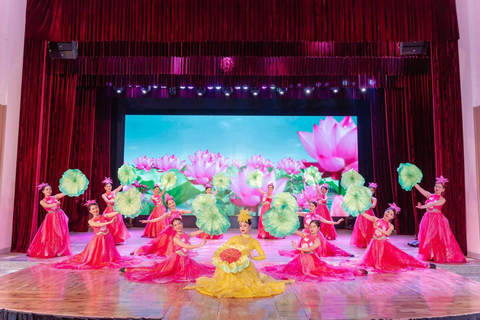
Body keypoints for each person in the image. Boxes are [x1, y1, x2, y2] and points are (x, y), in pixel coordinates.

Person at [184, 210, 293, 298]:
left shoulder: (253, 242)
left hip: (245, 268)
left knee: (247, 287)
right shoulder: (235, 238)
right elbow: (224, 248)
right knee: (225, 284)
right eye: (241, 226)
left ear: (249, 226)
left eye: (245, 226)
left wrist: (253, 257)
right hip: (231, 266)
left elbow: (263, 256)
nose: (242, 228)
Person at [262, 220, 367, 281]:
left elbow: (309, 249)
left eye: (314, 227)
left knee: (329, 271)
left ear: (318, 229)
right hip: (300, 259)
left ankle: (356, 271)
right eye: (310, 227)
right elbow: (293, 231)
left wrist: (298, 248)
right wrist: (285, 224)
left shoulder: (317, 241)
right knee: (282, 270)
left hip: (311, 261)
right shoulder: (305, 235)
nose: (311, 229)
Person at [122, 218, 215, 283]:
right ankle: (129, 269)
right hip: (176, 260)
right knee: (157, 271)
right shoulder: (176, 238)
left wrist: (209, 224)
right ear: (173, 228)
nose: (178, 226)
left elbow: (199, 231)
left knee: (204, 271)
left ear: (182, 224)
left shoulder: (186, 235)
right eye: (175, 225)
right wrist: (201, 244)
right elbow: (186, 246)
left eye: (179, 224)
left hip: (186, 260)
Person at [53, 201, 140, 269]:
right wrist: (109, 222)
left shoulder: (104, 216)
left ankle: (107, 259)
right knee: (98, 253)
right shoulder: (90, 221)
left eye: (96, 208)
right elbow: (98, 225)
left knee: (108, 252)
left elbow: (115, 213)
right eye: (93, 209)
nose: (95, 210)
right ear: (90, 211)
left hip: (107, 237)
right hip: (99, 239)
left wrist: (122, 210)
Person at [355, 203, 436, 272]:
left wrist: (377, 228)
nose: (388, 214)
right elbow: (363, 214)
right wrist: (359, 209)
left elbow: (387, 233)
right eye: (388, 211)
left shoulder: (390, 225)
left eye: (391, 214)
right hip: (374, 244)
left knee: (400, 258)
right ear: (385, 211)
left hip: (383, 245)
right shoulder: (376, 219)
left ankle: (423, 265)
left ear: (392, 217)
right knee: (370, 262)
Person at [414, 176, 467, 263]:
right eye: (436, 186)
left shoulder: (442, 199)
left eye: (439, 187)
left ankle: (438, 256)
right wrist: (412, 181)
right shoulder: (429, 195)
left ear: (443, 190)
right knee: (425, 236)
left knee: (437, 238)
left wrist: (422, 206)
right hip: (427, 218)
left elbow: (434, 203)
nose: (437, 188)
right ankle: (428, 255)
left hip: (437, 220)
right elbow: (419, 188)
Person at [281, 201, 352, 257]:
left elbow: (327, 221)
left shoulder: (317, 217)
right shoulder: (305, 214)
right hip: (305, 234)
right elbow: (295, 213)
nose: (311, 207)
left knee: (322, 248)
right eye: (310, 206)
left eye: (312, 206)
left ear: (315, 208)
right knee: (304, 248)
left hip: (315, 235)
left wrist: (336, 222)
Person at [27, 183, 72, 258]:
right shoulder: (42, 201)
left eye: (50, 189)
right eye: (47, 189)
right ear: (43, 192)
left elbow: (64, 193)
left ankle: (58, 250)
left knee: (61, 234)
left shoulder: (55, 197)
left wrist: (70, 188)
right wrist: (55, 203)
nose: (49, 191)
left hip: (60, 216)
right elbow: (47, 206)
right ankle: (50, 250)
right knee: (50, 235)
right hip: (51, 218)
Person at [101, 177, 130, 243]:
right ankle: (110, 239)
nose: (109, 187)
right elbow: (108, 201)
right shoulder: (103, 195)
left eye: (110, 186)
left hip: (116, 210)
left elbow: (121, 186)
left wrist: (124, 181)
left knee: (118, 224)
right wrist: (116, 200)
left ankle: (116, 239)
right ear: (105, 188)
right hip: (109, 210)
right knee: (110, 225)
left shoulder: (114, 192)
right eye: (107, 186)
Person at [350, 182, 377, 248]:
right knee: (361, 227)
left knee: (369, 227)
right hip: (363, 214)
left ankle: (368, 242)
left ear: (374, 191)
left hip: (370, 214)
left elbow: (373, 206)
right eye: (369, 190)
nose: (370, 191)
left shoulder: (374, 199)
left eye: (372, 190)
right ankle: (361, 242)